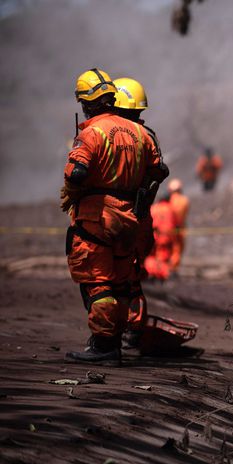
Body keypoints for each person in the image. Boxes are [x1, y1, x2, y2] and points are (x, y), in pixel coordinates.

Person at [61, 68, 163, 365]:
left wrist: (70, 192)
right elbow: (158, 170)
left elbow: (76, 172)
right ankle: (117, 338)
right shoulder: (141, 133)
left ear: (87, 103)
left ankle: (104, 345)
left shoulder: (91, 132)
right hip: (130, 216)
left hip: (97, 217)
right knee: (121, 281)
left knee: (97, 281)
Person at [111, 77, 169, 349]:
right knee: (132, 273)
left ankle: (108, 333)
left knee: (105, 274)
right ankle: (132, 329)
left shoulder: (105, 133)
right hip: (141, 216)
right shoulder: (148, 136)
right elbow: (160, 171)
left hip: (113, 215)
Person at [144, 195, 179, 281]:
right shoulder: (170, 208)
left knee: (151, 256)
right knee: (163, 257)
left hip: (154, 236)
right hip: (166, 237)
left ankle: (151, 273)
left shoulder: (154, 208)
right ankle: (164, 274)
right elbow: (175, 223)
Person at [167, 178, 190, 270]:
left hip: (168, 229)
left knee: (168, 248)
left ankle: (167, 268)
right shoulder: (184, 200)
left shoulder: (169, 200)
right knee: (177, 249)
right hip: (180, 228)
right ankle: (173, 268)